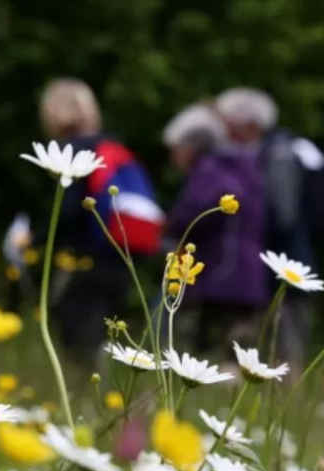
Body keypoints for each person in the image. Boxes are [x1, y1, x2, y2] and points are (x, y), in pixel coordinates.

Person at [32, 78, 164, 364]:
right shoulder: (112, 146)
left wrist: (34, 241)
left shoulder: (72, 150)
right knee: (106, 328)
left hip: (88, 256)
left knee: (79, 330)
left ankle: (85, 390)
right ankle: (98, 390)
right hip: (123, 254)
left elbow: (66, 212)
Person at [214, 87, 324, 373]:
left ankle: (288, 413)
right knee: (256, 353)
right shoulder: (273, 153)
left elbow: (283, 217)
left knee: (285, 356)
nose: (224, 131)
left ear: (250, 125)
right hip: (272, 267)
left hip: (288, 268)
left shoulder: (278, 156)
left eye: (229, 124)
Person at [164, 103, 268, 355]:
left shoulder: (213, 169)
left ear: (193, 146)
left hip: (222, 276)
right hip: (244, 275)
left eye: (176, 148)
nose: (173, 156)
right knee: (236, 353)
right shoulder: (243, 165)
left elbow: (200, 208)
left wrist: (172, 225)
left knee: (208, 353)